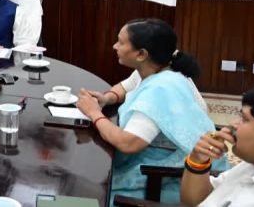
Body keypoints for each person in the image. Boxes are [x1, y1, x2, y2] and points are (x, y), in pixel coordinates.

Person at [76, 18, 226, 205]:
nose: (115, 46)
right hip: (179, 160)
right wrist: (107, 98)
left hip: (173, 178)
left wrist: (94, 113)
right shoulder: (159, 68)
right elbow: (124, 87)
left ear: (141, 54)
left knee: (87, 193)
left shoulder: (161, 89)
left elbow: (128, 143)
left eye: (121, 42)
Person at [180, 83, 254, 207]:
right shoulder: (251, 167)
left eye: (244, 119)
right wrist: (198, 161)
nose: (234, 125)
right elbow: (196, 201)